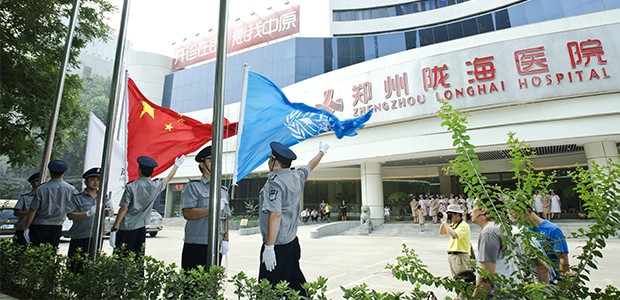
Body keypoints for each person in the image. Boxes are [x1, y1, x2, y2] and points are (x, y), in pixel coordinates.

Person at [259, 141, 328, 296]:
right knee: (295, 287)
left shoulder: (274, 183)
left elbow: (275, 214)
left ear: (274, 161)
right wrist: (322, 152)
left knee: (269, 291)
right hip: (292, 243)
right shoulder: (296, 176)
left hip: (277, 246)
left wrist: (269, 248)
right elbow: (311, 165)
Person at [110, 155, 184, 257]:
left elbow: (124, 208)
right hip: (141, 228)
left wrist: (115, 227)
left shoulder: (131, 186)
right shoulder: (156, 185)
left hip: (126, 228)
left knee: (122, 258)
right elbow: (168, 178)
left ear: (139, 170)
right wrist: (176, 165)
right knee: (137, 258)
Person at [180, 146, 230, 270]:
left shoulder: (223, 190)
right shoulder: (194, 187)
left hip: (216, 243)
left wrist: (226, 240)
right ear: (202, 165)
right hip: (196, 244)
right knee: (192, 286)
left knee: (212, 283)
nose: (214, 163)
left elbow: (225, 218)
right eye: (210, 160)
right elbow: (188, 213)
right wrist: (213, 209)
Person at [66, 167, 114, 272]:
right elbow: (70, 215)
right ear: (86, 182)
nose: (95, 182)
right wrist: (87, 213)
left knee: (92, 266)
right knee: (75, 267)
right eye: (92, 179)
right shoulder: (77, 198)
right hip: (80, 236)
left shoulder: (103, 198)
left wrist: (109, 209)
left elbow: (110, 213)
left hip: (96, 236)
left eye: (98, 179)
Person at [470, 200, 521, 298]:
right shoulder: (501, 227)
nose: (470, 211)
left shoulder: (489, 232)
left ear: (483, 210)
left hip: (498, 294)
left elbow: (486, 278)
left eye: (473, 207)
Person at [23, 160, 78, 248]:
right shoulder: (70, 189)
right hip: (57, 226)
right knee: (51, 253)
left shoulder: (42, 188)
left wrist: (26, 227)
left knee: (37, 253)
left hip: (39, 225)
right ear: (63, 173)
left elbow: (33, 209)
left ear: (50, 172)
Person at [525, 206, 570, 280]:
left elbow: (562, 256)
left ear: (528, 211)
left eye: (519, 218)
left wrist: (563, 278)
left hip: (552, 277)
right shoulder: (523, 230)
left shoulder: (552, 229)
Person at [439, 204, 472, 299]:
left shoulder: (463, 226)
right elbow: (441, 232)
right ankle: (460, 297)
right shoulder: (454, 225)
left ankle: (464, 297)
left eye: (450, 214)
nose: (449, 216)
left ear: (457, 214)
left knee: (464, 281)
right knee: (457, 281)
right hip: (453, 256)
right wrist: (443, 222)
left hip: (460, 256)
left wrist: (445, 222)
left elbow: (454, 235)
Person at [13, 172, 40, 246]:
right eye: (37, 180)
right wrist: (30, 213)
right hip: (23, 228)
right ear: (32, 183)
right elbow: (16, 212)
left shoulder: (45, 198)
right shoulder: (25, 198)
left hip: (38, 228)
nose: (40, 183)